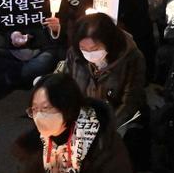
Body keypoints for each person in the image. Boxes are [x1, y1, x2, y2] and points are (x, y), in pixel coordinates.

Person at [63, 12, 148, 163]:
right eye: (84, 48)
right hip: (83, 117)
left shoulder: (131, 58)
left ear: (109, 42)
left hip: (118, 120)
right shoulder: (74, 55)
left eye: (94, 48)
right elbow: (67, 89)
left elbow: (130, 103)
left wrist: (103, 129)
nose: (89, 53)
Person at [14, 73, 133, 172]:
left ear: (67, 107)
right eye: (34, 110)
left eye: (46, 109)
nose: (39, 117)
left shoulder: (104, 146)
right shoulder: (34, 143)